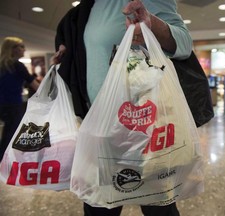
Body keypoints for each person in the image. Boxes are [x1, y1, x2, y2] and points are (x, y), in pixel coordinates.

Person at [52, 0, 192, 215]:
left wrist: (153, 25)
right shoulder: (84, 9)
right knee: (99, 206)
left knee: (158, 207)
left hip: (147, 126)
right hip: (99, 128)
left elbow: (184, 44)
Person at [0, 37, 39, 162]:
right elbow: (35, 85)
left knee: (8, 135)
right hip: (14, 106)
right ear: (13, 49)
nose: (24, 49)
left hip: (3, 105)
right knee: (13, 136)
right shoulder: (17, 65)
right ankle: (7, 163)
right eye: (21, 46)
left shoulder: (2, 66)